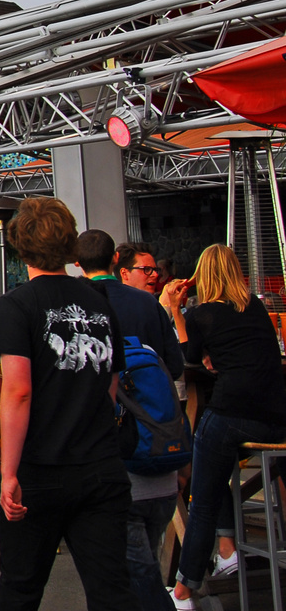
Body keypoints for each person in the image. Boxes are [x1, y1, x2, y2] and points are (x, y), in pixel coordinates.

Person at [0, 197, 135, 611]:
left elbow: (17, 390)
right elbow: (109, 380)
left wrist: (9, 472)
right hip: (100, 465)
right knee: (112, 590)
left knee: (20, 587)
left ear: (20, 246)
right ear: (70, 243)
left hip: (41, 467)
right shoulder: (99, 302)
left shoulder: (15, 305)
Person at [164, 244, 286, 610]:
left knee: (202, 497)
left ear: (202, 275)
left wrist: (174, 308)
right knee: (217, 475)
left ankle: (184, 592)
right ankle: (229, 551)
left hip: (232, 414)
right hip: (276, 420)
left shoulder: (202, 314)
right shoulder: (258, 307)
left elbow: (187, 354)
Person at [75, 230, 185, 611]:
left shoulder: (77, 306)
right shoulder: (147, 304)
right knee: (144, 566)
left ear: (77, 262)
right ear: (116, 264)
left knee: (134, 579)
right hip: (159, 450)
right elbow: (174, 366)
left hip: (111, 462)